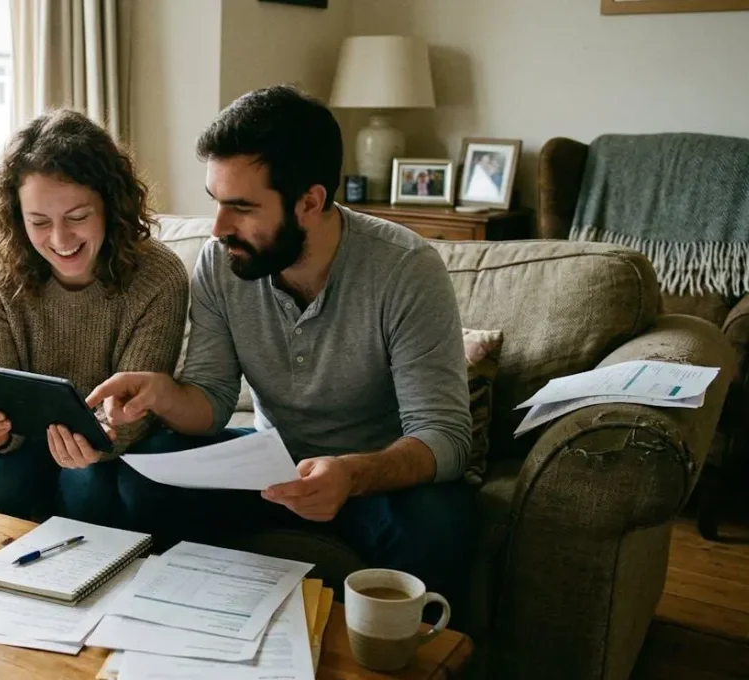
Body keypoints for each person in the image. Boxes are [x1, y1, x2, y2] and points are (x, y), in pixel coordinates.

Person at [86, 86, 475, 600]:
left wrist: (352, 475)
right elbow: (213, 401)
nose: (219, 227)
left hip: (376, 476)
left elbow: (445, 437)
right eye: (216, 203)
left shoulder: (405, 270)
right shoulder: (219, 263)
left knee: (442, 525)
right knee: (139, 481)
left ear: (310, 201)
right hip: (270, 467)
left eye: (242, 207)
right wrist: (163, 393)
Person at [0, 109, 189, 525]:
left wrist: (106, 437)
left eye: (78, 217)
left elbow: (136, 405)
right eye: (39, 222)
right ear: (17, 218)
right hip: (20, 436)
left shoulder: (159, 276)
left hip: (107, 436)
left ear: (110, 205)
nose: (61, 241)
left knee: (89, 493)